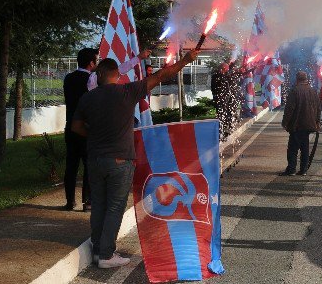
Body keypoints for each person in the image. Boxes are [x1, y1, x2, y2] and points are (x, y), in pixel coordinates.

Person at [71, 48, 200, 268]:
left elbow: (75, 127)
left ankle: (97, 250)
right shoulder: (127, 92)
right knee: (114, 207)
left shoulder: (87, 98)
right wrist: (186, 60)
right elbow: (160, 76)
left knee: (99, 205)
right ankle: (106, 255)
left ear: (99, 75)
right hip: (120, 161)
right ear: (117, 75)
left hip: (94, 160)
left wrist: (94, 135)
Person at [62, 48, 150, 211]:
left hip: (71, 127)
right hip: (87, 128)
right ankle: (88, 201)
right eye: (97, 60)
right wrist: (138, 58)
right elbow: (119, 70)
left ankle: (69, 201)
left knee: (71, 166)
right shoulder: (92, 79)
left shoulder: (68, 78)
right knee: (89, 165)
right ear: (91, 64)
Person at [281, 71, 321, 176]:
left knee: (293, 149)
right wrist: (317, 122)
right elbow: (318, 108)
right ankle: (303, 170)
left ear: (297, 79)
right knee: (305, 148)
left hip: (297, 124)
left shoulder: (294, 91)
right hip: (309, 124)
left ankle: (291, 169)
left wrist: (285, 122)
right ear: (306, 79)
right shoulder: (313, 91)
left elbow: (289, 109)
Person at [211, 62, 241, 140]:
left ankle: (226, 131)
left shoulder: (224, 76)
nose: (228, 71)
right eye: (226, 69)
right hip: (220, 101)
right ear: (223, 68)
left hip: (226, 101)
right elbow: (216, 88)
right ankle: (220, 134)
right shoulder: (217, 76)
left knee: (227, 116)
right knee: (221, 117)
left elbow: (234, 76)